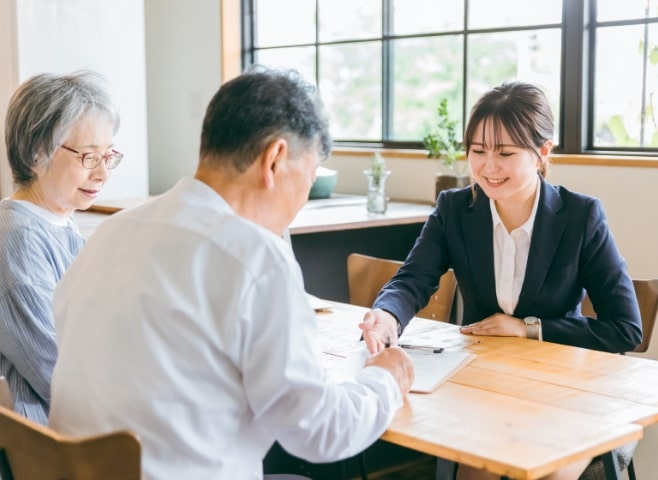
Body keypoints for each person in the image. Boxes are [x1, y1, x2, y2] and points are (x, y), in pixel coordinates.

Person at [48, 66, 414, 480]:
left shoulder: (111, 233)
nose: (301, 202)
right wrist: (385, 380)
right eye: (308, 179)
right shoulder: (255, 258)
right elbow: (320, 432)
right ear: (275, 159)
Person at [359, 81, 642, 480]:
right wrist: (387, 315)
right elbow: (413, 278)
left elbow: (625, 329)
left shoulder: (581, 217)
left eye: (505, 153)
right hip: (484, 385)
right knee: (478, 472)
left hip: (565, 392)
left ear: (543, 152)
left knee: (549, 474)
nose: (488, 167)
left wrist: (529, 329)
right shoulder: (455, 209)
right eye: (478, 151)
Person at [0, 70, 122, 425]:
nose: (103, 173)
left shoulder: (60, 222)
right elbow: (58, 373)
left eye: (109, 155)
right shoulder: (18, 240)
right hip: (50, 446)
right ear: (37, 155)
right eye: (88, 156)